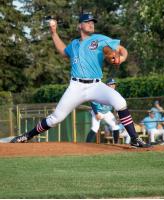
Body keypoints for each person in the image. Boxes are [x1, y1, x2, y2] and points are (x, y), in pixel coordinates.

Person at [10, 13, 150, 148]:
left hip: (96, 85)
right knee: (56, 118)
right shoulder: (74, 44)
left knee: (120, 102)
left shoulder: (100, 39)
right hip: (76, 86)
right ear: (79, 26)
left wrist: (122, 58)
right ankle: (27, 136)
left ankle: (134, 139)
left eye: (92, 22)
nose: (91, 24)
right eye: (87, 22)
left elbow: (121, 49)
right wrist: (53, 33)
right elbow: (63, 51)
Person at [86, 78, 120, 144]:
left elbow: (116, 105)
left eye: (114, 84)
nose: (113, 85)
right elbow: (93, 103)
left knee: (116, 127)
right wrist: (96, 114)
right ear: (107, 85)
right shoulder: (101, 92)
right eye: (111, 84)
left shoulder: (115, 93)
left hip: (107, 112)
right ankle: (87, 144)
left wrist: (116, 115)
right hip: (98, 111)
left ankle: (116, 144)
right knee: (95, 128)